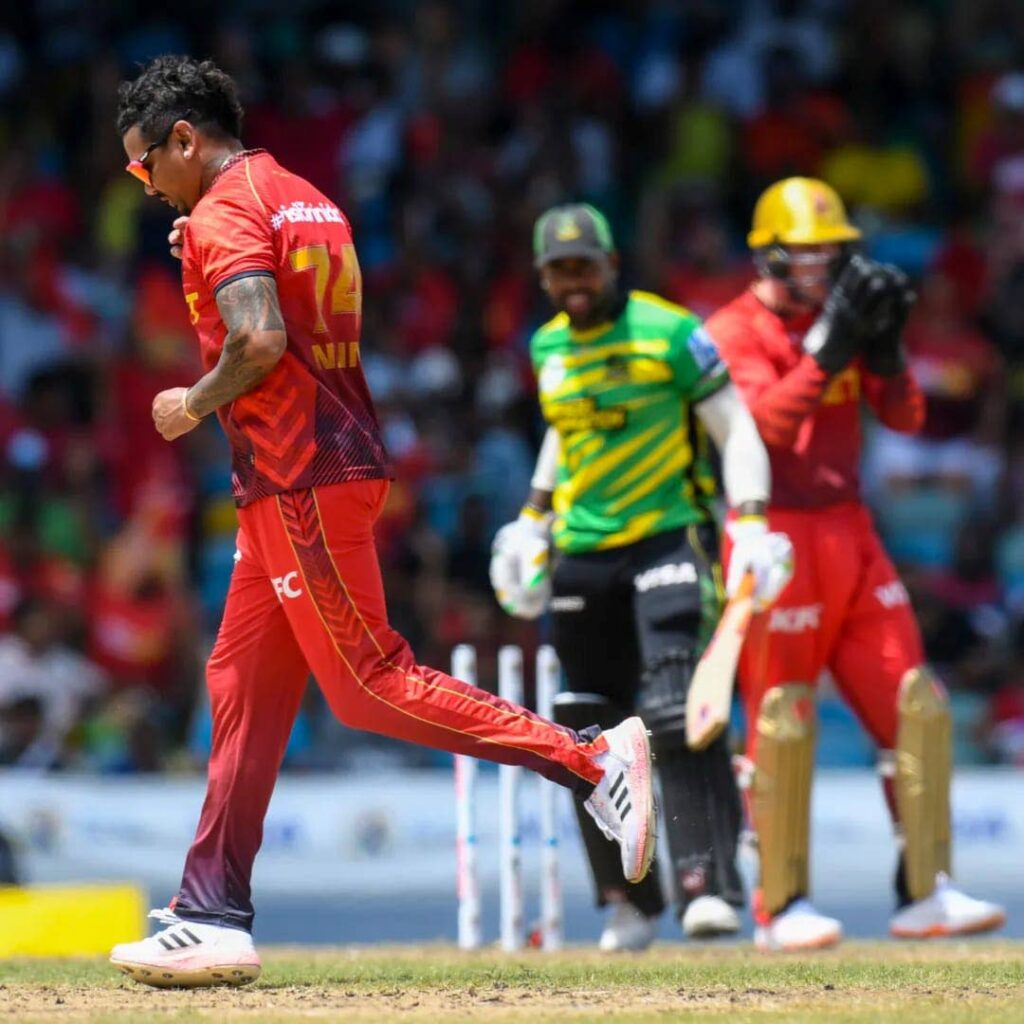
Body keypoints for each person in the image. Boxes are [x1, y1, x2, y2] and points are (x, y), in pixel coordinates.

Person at [109, 56, 658, 988]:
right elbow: (277, 298)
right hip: (316, 466)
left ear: (184, 141)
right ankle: (211, 913)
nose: (145, 186)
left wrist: (190, 404)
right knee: (240, 682)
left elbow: (261, 339)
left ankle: (591, 761)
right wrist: (206, 257)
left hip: (299, 474)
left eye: (143, 165)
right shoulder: (301, 194)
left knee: (369, 684)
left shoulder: (222, 211)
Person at [706, 177, 1007, 952]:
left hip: (851, 531)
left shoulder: (843, 313)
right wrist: (827, 350)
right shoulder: (730, 331)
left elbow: (905, 414)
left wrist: (886, 350)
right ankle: (781, 906)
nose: (821, 262)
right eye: (806, 249)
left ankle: (924, 892)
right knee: (781, 720)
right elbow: (761, 431)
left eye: (831, 249)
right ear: (768, 251)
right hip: (772, 536)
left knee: (916, 705)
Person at [489, 203, 793, 950]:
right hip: (583, 552)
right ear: (542, 276)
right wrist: (531, 519)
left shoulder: (671, 333)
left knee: (672, 704)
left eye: (584, 266)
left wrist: (749, 519)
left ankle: (706, 888)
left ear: (611, 262)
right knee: (582, 725)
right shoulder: (549, 346)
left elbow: (738, 429)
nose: (574, 282)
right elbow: (569, 426)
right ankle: (630, 904)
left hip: (668, 539)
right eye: (559, 271)